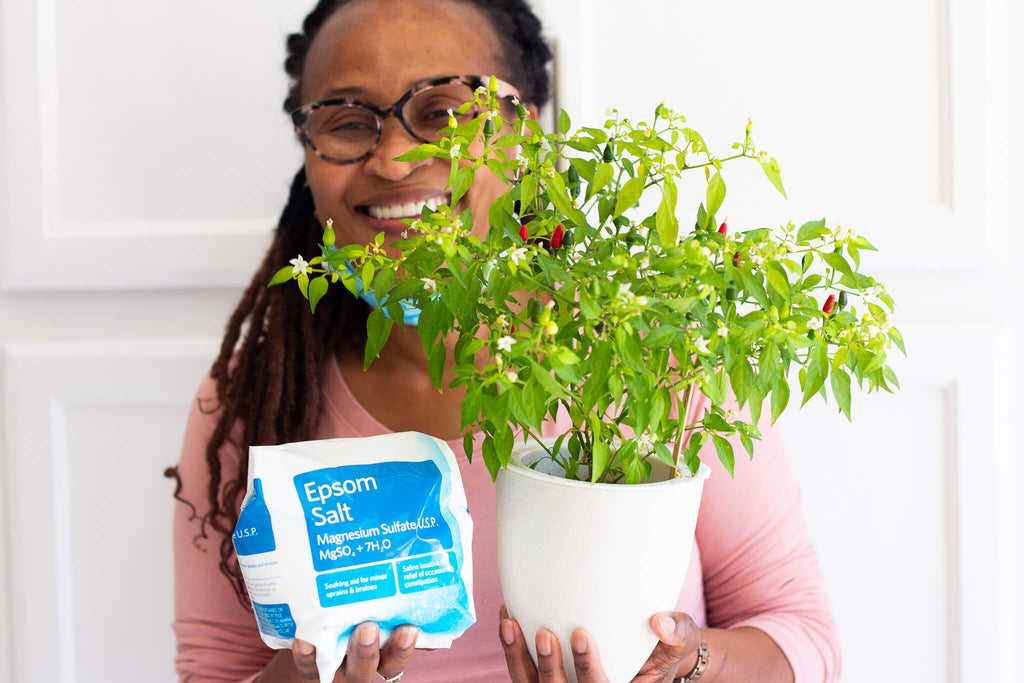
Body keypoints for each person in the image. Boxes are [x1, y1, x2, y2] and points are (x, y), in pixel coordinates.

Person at [168, 0, 842, 681]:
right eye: (346, 123)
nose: (396, 158)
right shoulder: (251, 400)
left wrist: (688, 660)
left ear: (525, 137)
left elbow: (799, 632)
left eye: (442, 113)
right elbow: (214, 668)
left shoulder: (654, 356)